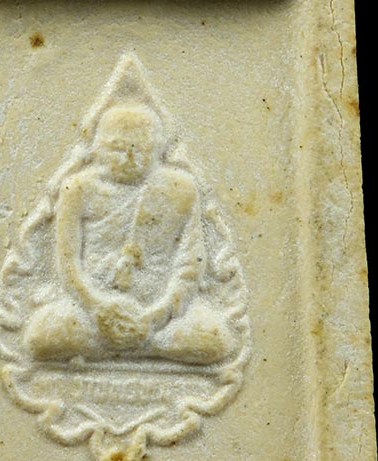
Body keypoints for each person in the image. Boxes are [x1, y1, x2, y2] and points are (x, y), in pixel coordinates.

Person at [25, 103, 232, 365]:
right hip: (93, 311)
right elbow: (68, 263)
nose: (129, 158)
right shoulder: (78, 188)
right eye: (117, 148)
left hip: (160, 315)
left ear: (158, 149)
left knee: (215, 338)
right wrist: (99, 307)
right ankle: (141, 346)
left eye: (141, 149)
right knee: (41, 336)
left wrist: (155, 316)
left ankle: (134, 343)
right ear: (97, 148)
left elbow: (190, 265)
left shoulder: (181, 188)